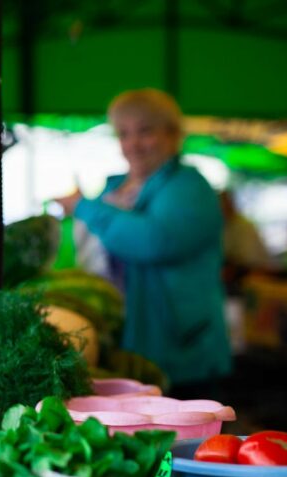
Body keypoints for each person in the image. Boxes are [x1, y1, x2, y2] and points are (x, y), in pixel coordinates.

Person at [54, 88, 231, 394]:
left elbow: (155, 241)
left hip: (180, 351)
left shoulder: (189, 187)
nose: (133, 144)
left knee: (186, 439)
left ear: (173, 135)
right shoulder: (113, 188)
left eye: (145, 132)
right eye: (123, 134)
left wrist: (84, 206)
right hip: (127, 349)